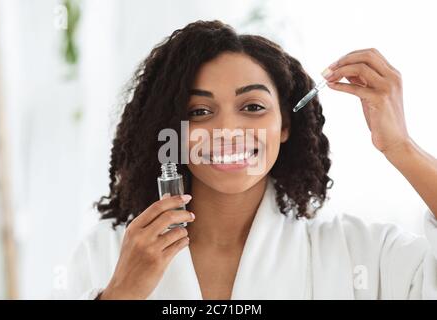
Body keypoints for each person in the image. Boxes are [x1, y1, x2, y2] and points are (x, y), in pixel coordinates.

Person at [53, 20, 437, 300]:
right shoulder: (105, 254)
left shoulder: (358, 252)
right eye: (200, 112)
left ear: (285, 123)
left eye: (252, 106)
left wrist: (402, 147)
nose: (228, 130)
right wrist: (122, 293)